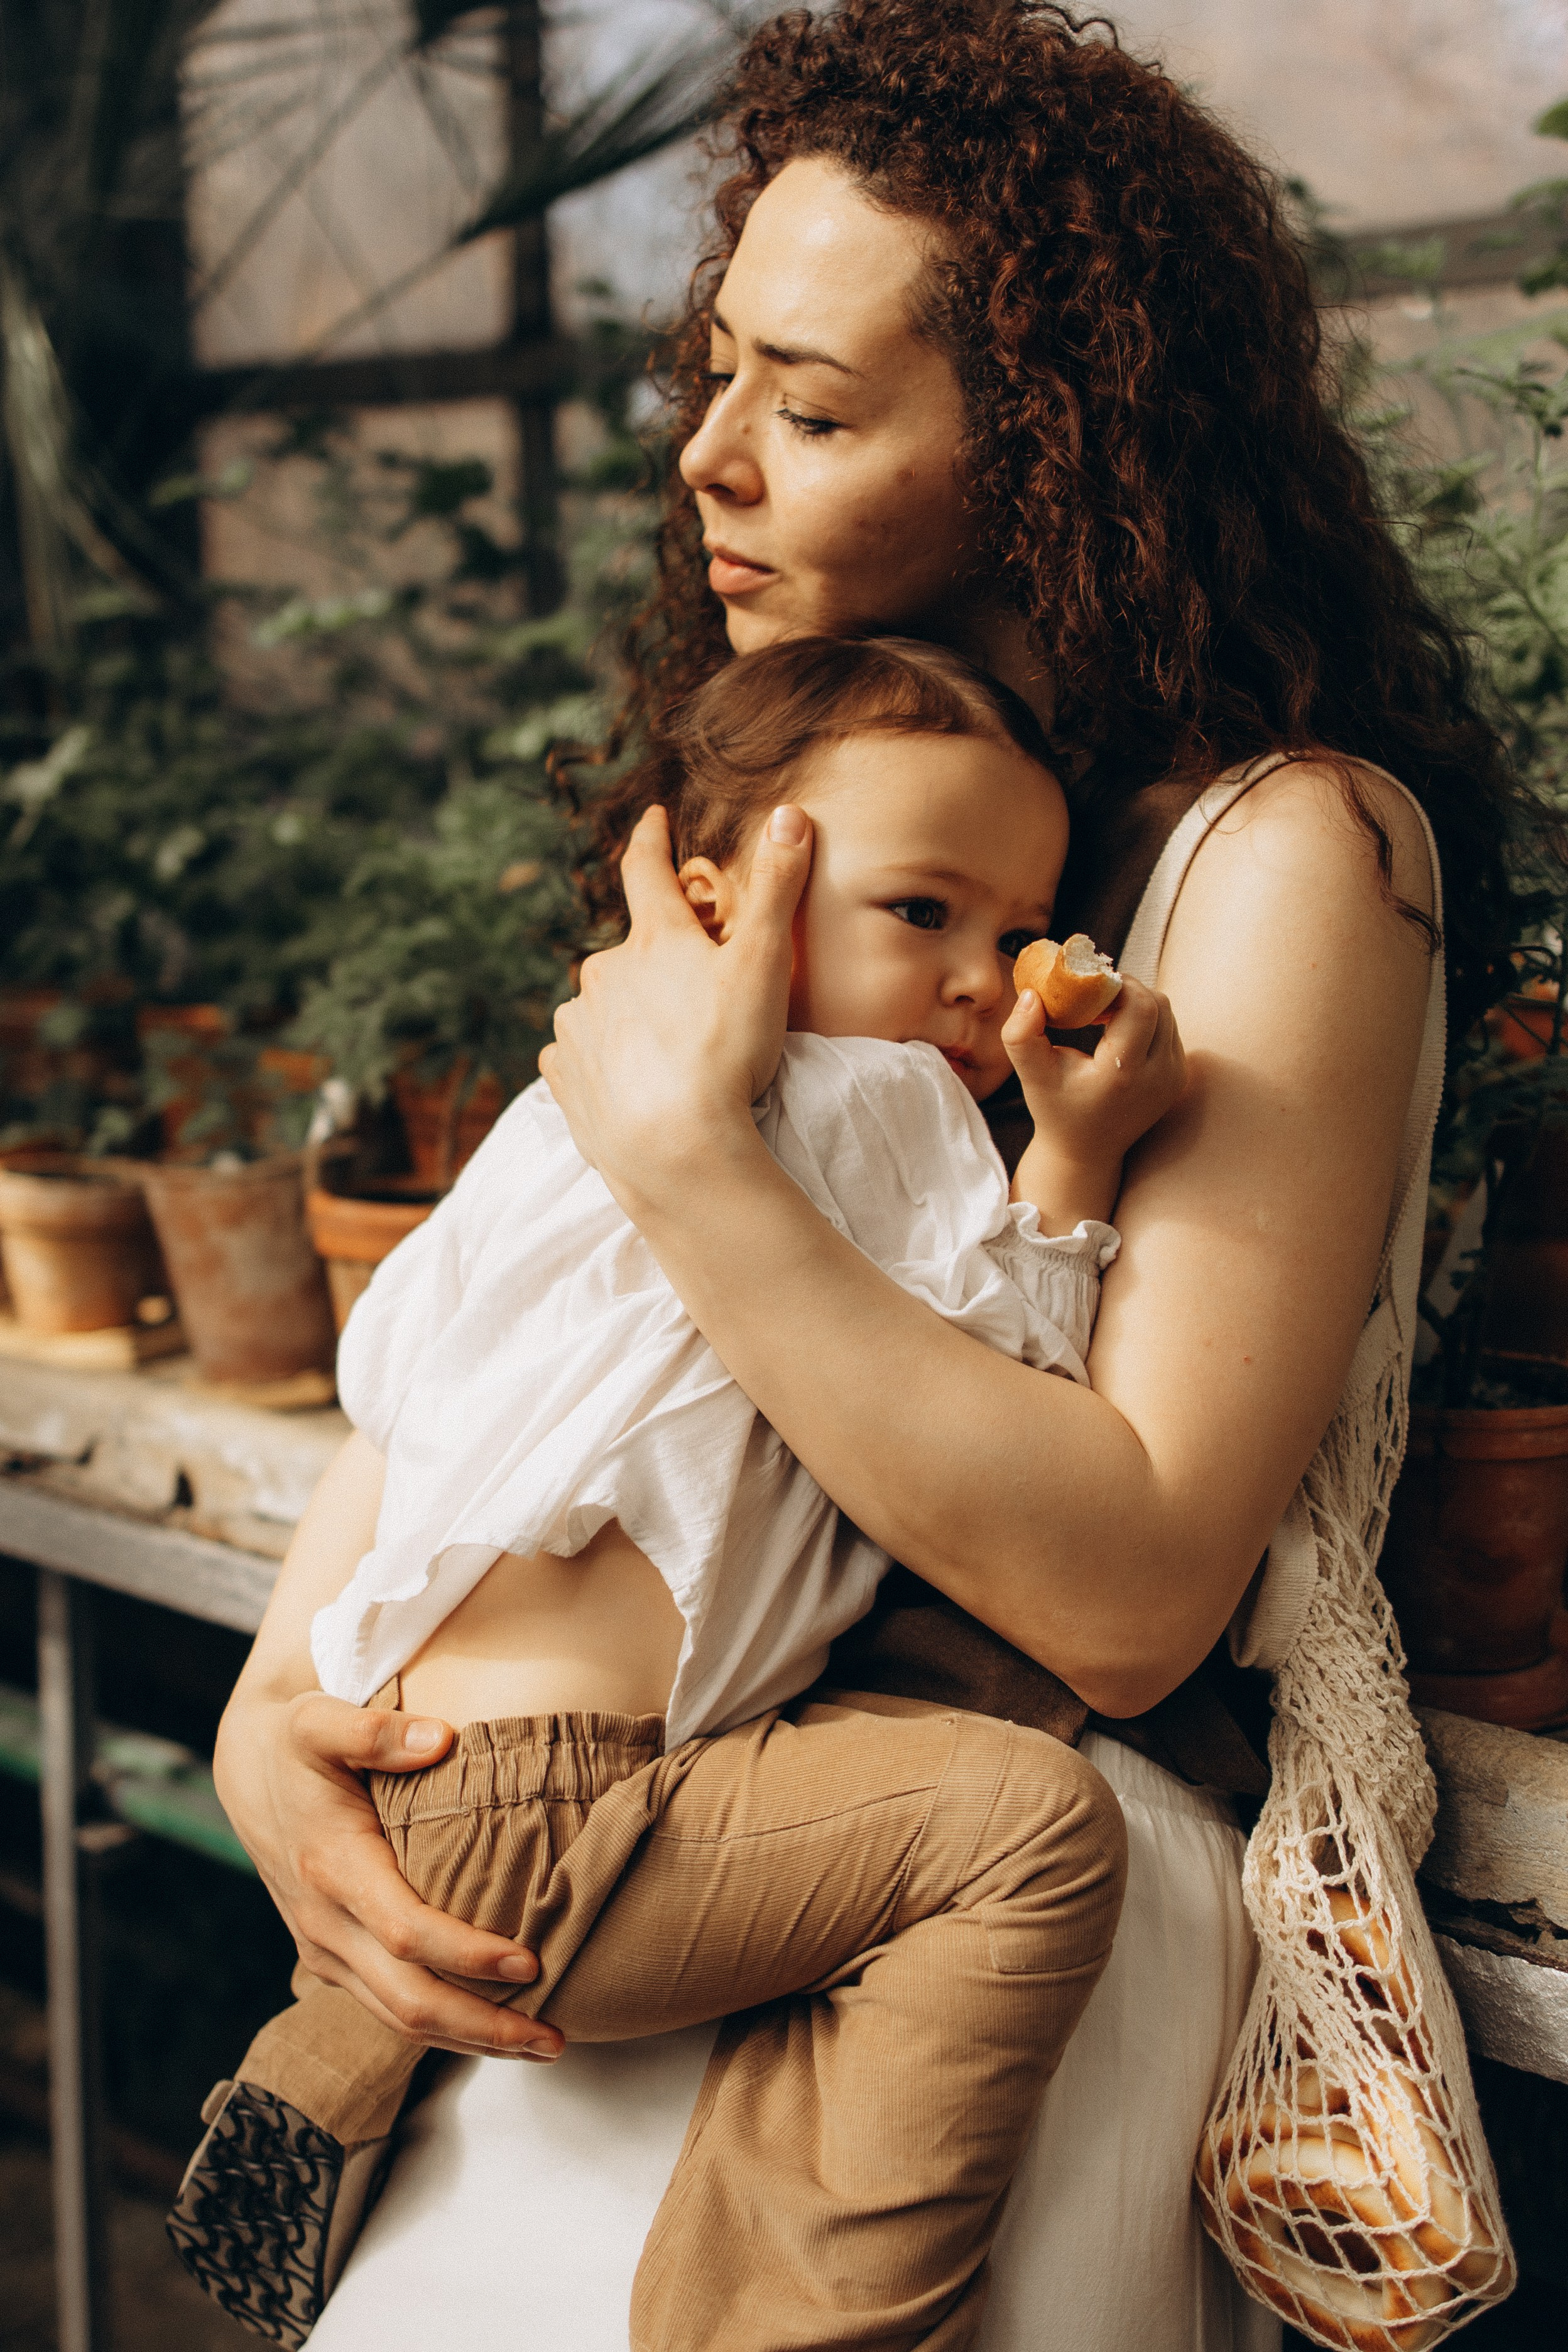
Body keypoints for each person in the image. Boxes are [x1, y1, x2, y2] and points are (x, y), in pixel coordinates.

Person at [210, 6, 1518, 2346]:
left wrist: (697, 1155)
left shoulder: (1286, 856)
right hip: (648, 1857)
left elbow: (1125, 1588)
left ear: (1055, 445)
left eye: (811, 411)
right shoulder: (816, 798)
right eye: (715, 378)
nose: (710, 459)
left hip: (1007, 1920)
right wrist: (273, 1725)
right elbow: (538, 1307)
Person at [175, 636, 1182, 2348]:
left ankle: (324, 2062)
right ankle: (817, 2319)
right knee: (1030, 1829)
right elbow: (1022, 1391)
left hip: (400, 1747)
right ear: (721, 912)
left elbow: (394, 1375)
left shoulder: (556, 1113)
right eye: (920, 913)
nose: (978, 986)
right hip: (581, 1812)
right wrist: (1074, 1155)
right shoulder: (875, 1104)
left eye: (1016, 934)